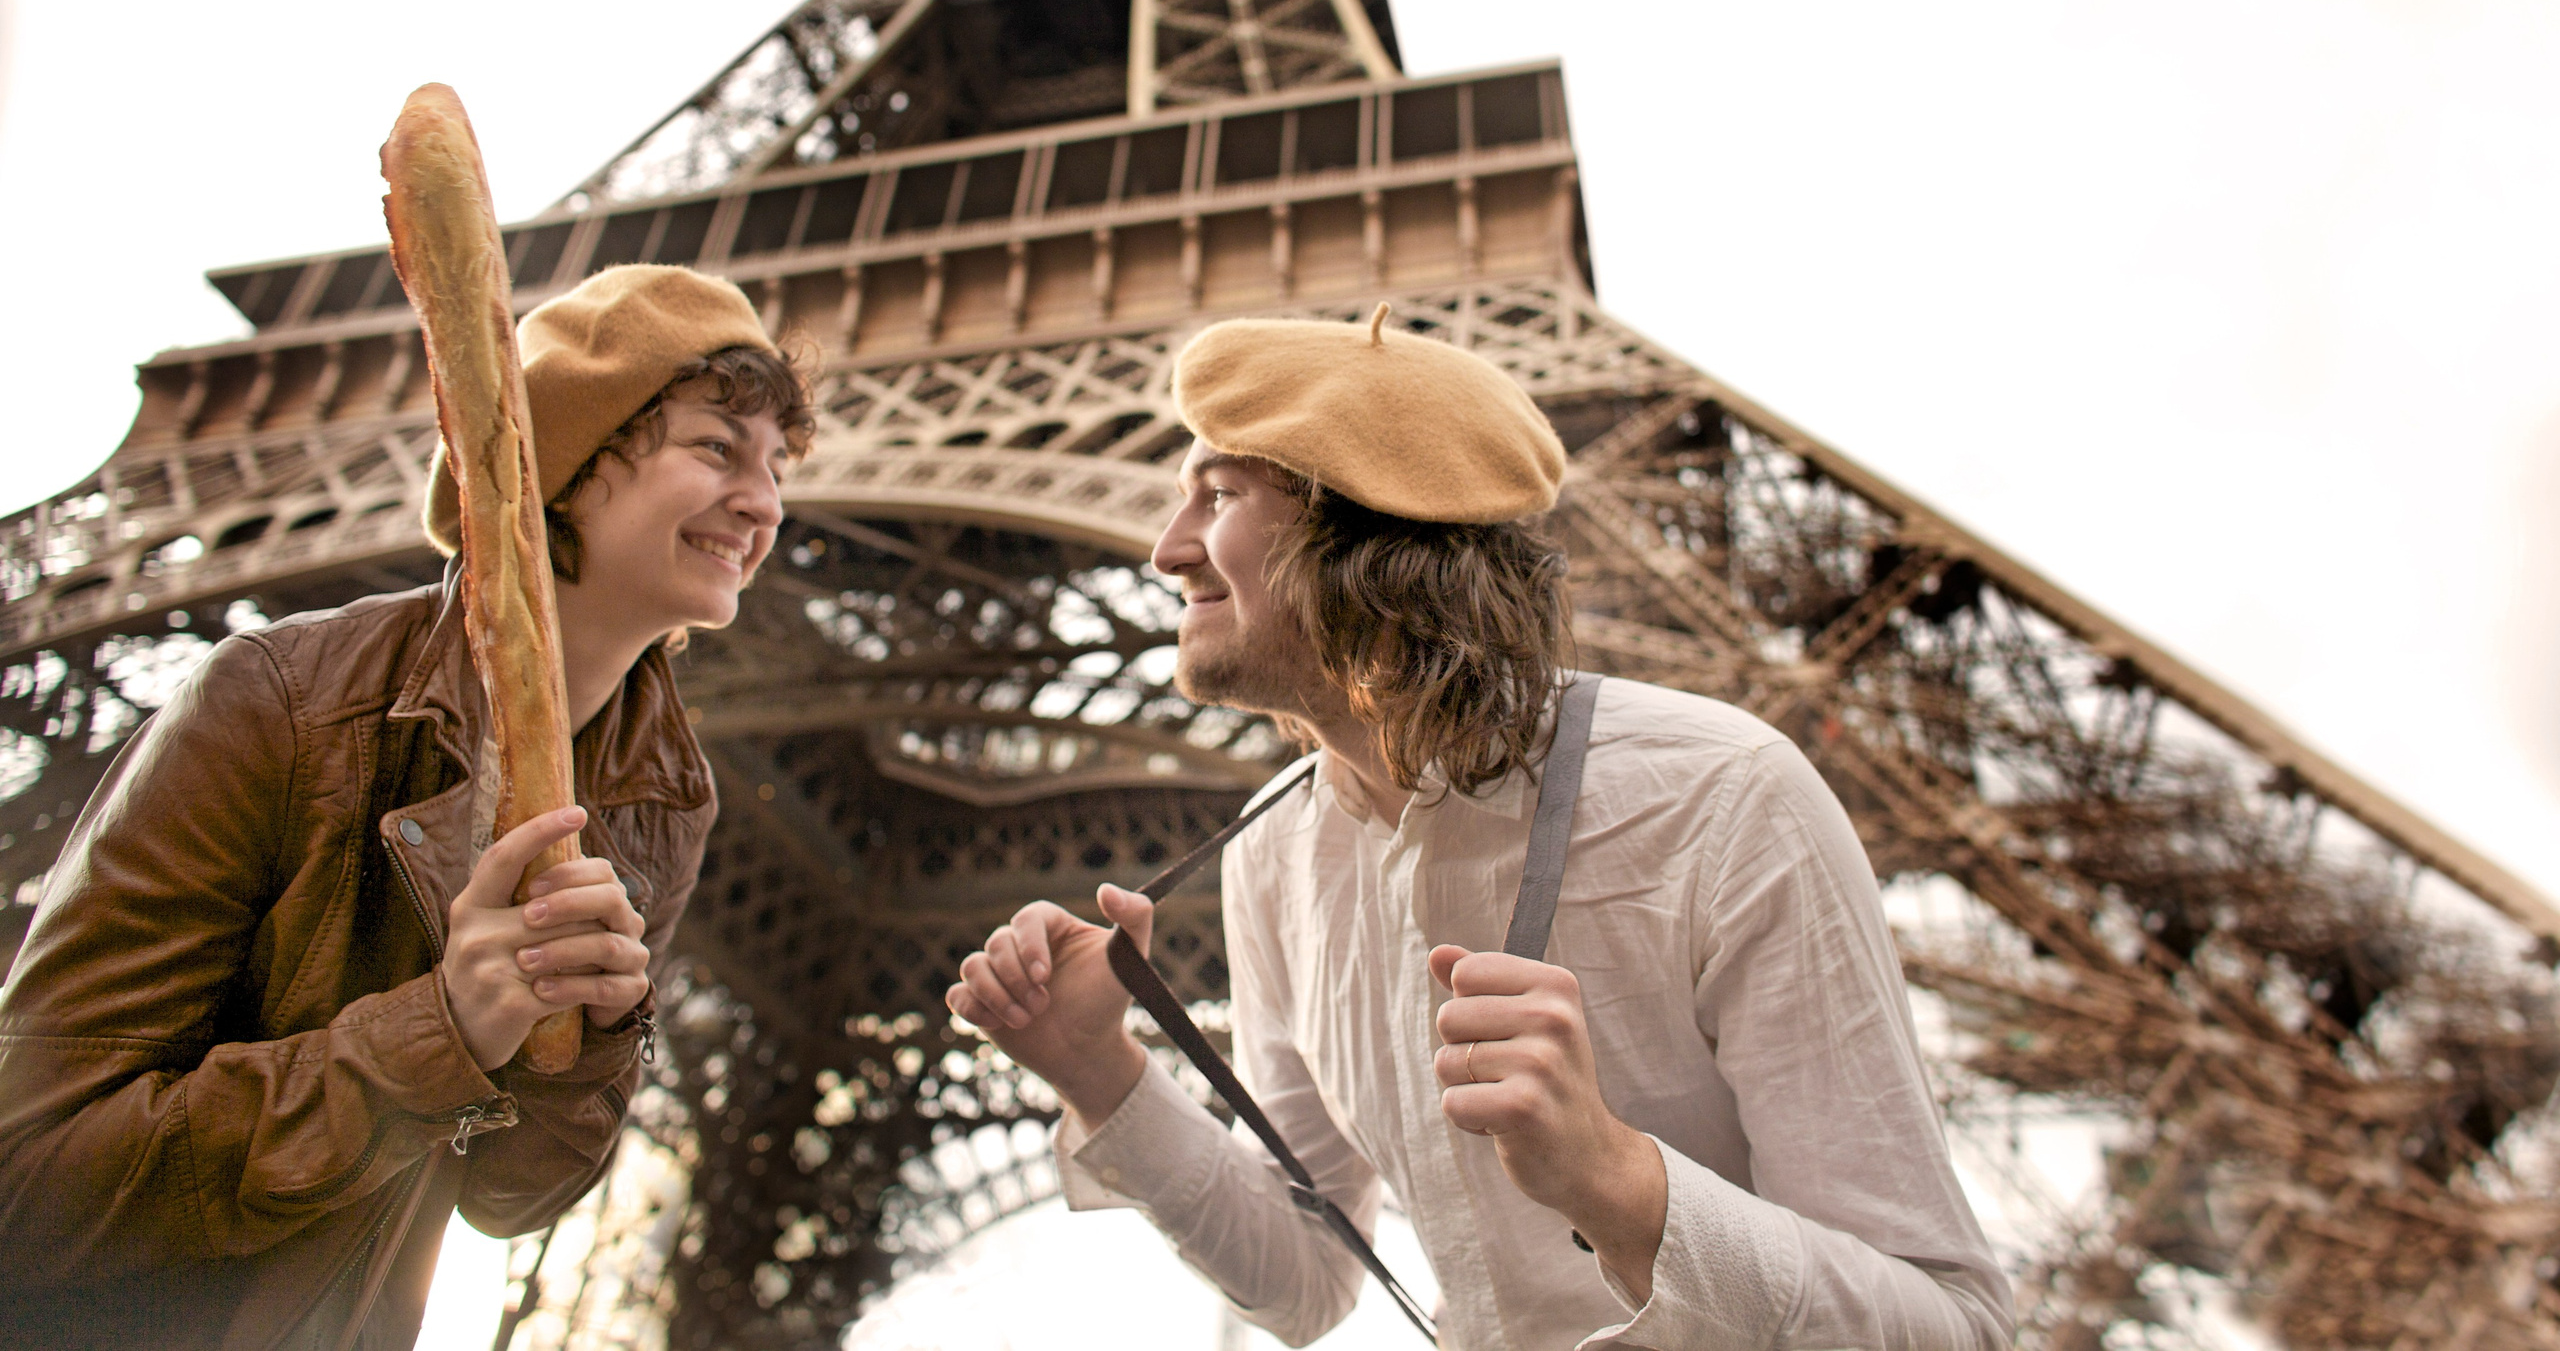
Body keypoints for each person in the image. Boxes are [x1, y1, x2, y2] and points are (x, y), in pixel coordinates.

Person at [949, 306, 2014, 1349]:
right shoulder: (1273, 853)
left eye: (1218, 494)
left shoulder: (1723, 796)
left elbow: (1953, 1327)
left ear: (1356, 534)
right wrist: (1098, 1069)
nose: (1165, 551)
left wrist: (1617, 1182)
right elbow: (1308, 1278)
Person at [0, 265, 811, 1351]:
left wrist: (600, 1039)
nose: (763, 502)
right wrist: (445, 1031)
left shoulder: (667, 797)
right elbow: (26, 1187)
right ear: (561, 463)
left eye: (777, 465)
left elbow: (509, 1201)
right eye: (715, 447)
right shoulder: (282, 701)